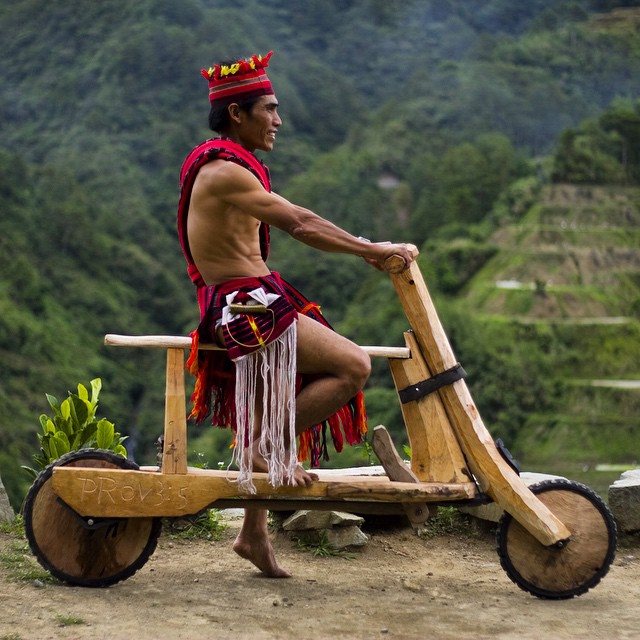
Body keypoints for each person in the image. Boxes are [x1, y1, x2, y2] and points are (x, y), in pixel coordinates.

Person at [177, 51, 417, 578]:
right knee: (354, 366)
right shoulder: (223, 172)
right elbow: (301, 224)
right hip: (245, 306)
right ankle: (265, 445)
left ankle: (252, 535)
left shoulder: (228, 164)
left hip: (250, 298)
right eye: (269, 108)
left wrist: (370, 248)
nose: (278, 120)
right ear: (237, 114)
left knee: (275, 397)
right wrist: (373, 249)